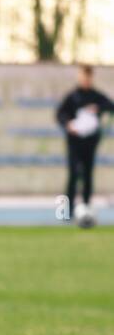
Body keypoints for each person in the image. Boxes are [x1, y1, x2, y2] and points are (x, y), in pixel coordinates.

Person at [56, 64, 112, 228]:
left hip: (90, 142)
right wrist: (68, 124)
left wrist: (98, 108)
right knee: (73, 175)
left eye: (88, 77)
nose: (85, 80)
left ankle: (86, 208)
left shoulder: (96, 95)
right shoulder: (72, 96)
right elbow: (60, 114)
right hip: (74, 142)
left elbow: (110, 105)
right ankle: (66, 212)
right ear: (79, 77)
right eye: (83, 76)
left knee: (88, 175)